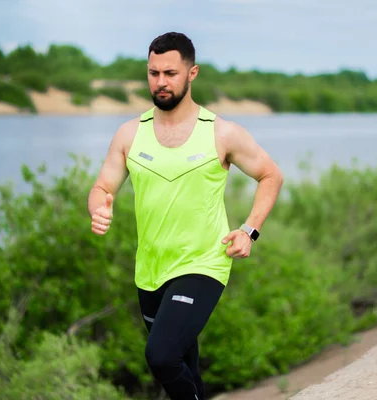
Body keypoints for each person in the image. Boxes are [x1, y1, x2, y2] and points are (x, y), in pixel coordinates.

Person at [87, 32, 283, 400]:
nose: (160, 82)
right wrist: (99, 207)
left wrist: (249, 230)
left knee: (160, 357)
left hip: (202, 264)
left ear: (192, 73)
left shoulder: (222, 133)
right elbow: (103, 187)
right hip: (149, 270)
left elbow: (271, 176)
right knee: (184, 365)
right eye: (153, 73)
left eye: (170, 73)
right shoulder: (130, 134)